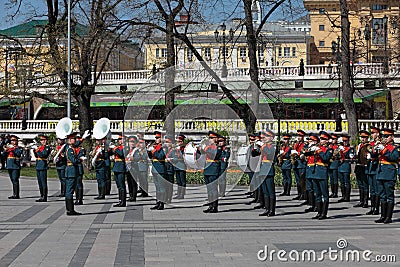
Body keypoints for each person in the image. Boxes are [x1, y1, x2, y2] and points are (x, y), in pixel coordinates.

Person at [375, 129, 398, 224]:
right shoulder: (382, 146)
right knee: (382, 195)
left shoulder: (395, 148)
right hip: (380, 173)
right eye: (384, 136)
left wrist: (384, 150)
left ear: (392, 137)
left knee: (389, 196)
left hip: (389, 173)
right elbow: (374, 155)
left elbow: (393, 157)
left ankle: (388, 217)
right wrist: (375, 148)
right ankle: (382, 216)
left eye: (387, 136)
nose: (385, 138)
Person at [309, 131, 333, 220]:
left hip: (322, 173)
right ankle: (319, 212)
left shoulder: (329, 149)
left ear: (327, 140)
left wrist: (319, 151)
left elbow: (326, 158)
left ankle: (324, 213)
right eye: (321, 139)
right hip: (315, 172)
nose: (321, 140)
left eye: (323, 139)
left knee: (324, 194)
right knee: (317, 193)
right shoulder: (318, 147)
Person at [252, 130, 277, 217]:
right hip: (262, 169)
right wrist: (255, 147)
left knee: (270, 191)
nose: (264, 138)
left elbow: (270, 154)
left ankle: (272, 210)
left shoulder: (273, 146)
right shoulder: (264, 146)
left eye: (266, 136)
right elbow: (254, 154)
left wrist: (262, 146)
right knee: (265, 191)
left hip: (269, 169)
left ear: (271, 138)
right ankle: (267, 209)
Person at [199, 131, 222, 213]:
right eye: (209, 138)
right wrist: (199, 149)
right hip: (207, 168)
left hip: (213, 168)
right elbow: (202, 154)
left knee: (213, 189)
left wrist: (204, 150)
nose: (210, 139)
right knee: (209, 189)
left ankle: (214, 207)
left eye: (212, 138)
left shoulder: (218, 147)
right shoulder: (208, 147)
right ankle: (210, 205)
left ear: (216, 139)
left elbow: (215, 155)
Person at [148, 131, 167, 210]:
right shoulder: (155, 146)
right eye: (156, 137)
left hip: (160, 168)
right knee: (157, 187)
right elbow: (151, 157)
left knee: (161, 187)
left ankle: (161, 203)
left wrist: (154, 152)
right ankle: (158, 202)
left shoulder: (164, 147)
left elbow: (161, 156)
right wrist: (149, 153)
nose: (156, 139)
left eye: (158, 137)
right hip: (155, 168)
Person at [64, 132, 81, 216]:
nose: (75, 140)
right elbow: (74, 161)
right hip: (71, 171)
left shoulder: (71, 148)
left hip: (71, 171)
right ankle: (70, 210)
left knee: (70, 190)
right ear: (69, 140)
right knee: (70, 191)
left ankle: (70, 209)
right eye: (73, 139)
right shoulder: (70, 150)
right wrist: (80, 160)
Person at [366, 126, 381, 215]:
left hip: (376, 168)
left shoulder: (380, 144)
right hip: (370, 168)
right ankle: (372, 207)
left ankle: (376, 208)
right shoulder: (370, 144)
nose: (372, 134)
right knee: (371, 190)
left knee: (376, 189)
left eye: (373, 133)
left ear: (377, 134)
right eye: (371, 133)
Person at [354, 130, 370, 208]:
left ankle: (365, 201)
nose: (363, 139)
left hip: (364, 166)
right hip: (358, 166)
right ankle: (361, 200)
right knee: (360, 184)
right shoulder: (359, 145)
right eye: (362, 137)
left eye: (364, 137)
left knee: (365, 184)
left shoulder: (368, 146)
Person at [33, 134, 51, 202]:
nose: (43, 141)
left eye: (44, 140)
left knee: (43, 182)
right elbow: (37, 156)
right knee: (40, 182)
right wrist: (34, 151)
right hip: (38, 165)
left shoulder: (47, 147)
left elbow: (43, 155)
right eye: (41, 140)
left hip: (43, 165)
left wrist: (37, 151)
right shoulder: (40, 147)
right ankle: (41, 195)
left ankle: (44, 196)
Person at [304, 134, 319, 213]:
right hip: (309, 168)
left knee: (315, 188)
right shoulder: (309, 148)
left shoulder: (317, 148)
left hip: (314, 168)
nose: (309, 142)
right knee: (309, 188)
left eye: (311, 140)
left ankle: (317, 205)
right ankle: (311, 205)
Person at [337, 134, 354, 202]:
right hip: (340, 166)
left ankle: (347, 197)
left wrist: (343, 152)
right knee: (342, 182)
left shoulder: (350, 149)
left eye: (346, 141)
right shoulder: (340, 148)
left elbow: (351, 157)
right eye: (343, 141)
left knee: (347, 182)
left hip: (346, 166)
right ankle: (343, 196)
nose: (344, 142)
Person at [111, 135, 127, 207]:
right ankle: (120, 200)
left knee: (122, 186)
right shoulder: (118, 147)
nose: (120, 141)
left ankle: (123, 202)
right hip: (116, 167)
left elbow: (122, 154)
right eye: (119, 139)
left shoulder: (125, 147)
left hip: (121, 167)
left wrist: (115, 149)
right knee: (118, 186)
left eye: (121, 139)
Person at [292, 130, 307, 201]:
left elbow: (303, 153)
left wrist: (298, 154)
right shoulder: (296, 144)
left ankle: (303, 194)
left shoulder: (304, 144)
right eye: (298, 136)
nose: (299, 137)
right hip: (296, 163)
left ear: (303, 137)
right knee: (298, 180)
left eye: (300, 136)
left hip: (301, 164)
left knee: (302, 180)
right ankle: (299, 194)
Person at [172, 134, 187, 199]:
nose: (178, 143)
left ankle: (182, 194)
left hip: (182, 165)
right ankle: (179, 193)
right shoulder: (176, 148)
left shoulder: (184, 149)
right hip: (177, 166)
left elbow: (183, 157)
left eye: (179, 142)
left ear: (182, 142)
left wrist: (178, 151)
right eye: (177, 142)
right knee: (178, 181)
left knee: (182, 181)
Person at [74, 134, 87, 205]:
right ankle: (77, 198)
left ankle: (80, 199)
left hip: (79, 168)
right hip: (74, 168)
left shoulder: (82, 150)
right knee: (75, 184)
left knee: (79, 184)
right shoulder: (73, 149)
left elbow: (80, 157)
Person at [126, 136, 139, 201]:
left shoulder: (136, 150)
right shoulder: (127, 150)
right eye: (130, 141)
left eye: (133, 141)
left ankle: (134, 197)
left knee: (134, 183)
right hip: (128, 168)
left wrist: (132, 158)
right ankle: (130, 195)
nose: (131, 143)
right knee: (129, 183)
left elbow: (138, 158)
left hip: (134, 168)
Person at [328, 133, 340, 198]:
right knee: (331, 179)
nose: (332, 140)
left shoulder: (338, 147)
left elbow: (339, 155)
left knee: (335, 179)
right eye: (332, 139)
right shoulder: (329, 146)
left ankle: (335, 193)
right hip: (330, 164)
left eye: (334, 139)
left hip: (335, 164)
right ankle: (332, 192)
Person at [164, 135, 175, 204]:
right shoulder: (165, 150)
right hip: (165, 169)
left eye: (168, 142)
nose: (167, 143)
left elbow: (178, 158)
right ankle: (165, 197)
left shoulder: (174, 150)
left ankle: (169, 198)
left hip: (170, 169)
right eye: (166, 142)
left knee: (169, 185)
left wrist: (171, 159)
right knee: (165, 185)